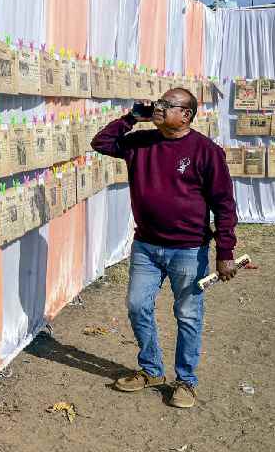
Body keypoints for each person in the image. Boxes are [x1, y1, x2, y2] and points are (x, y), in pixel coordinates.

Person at [91, 88, 237, 409]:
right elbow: (100, 142)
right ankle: (152, 370)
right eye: (158, 103)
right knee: (137, 305)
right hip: (146, 246)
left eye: (167, 105)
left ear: (185, 115)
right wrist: (132, 118)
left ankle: (185, 381)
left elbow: (224, 205)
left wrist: (225, 252)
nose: (159, 108)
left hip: (189, 250)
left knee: (187, 314)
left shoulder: (206, 151)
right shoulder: (140, 142)